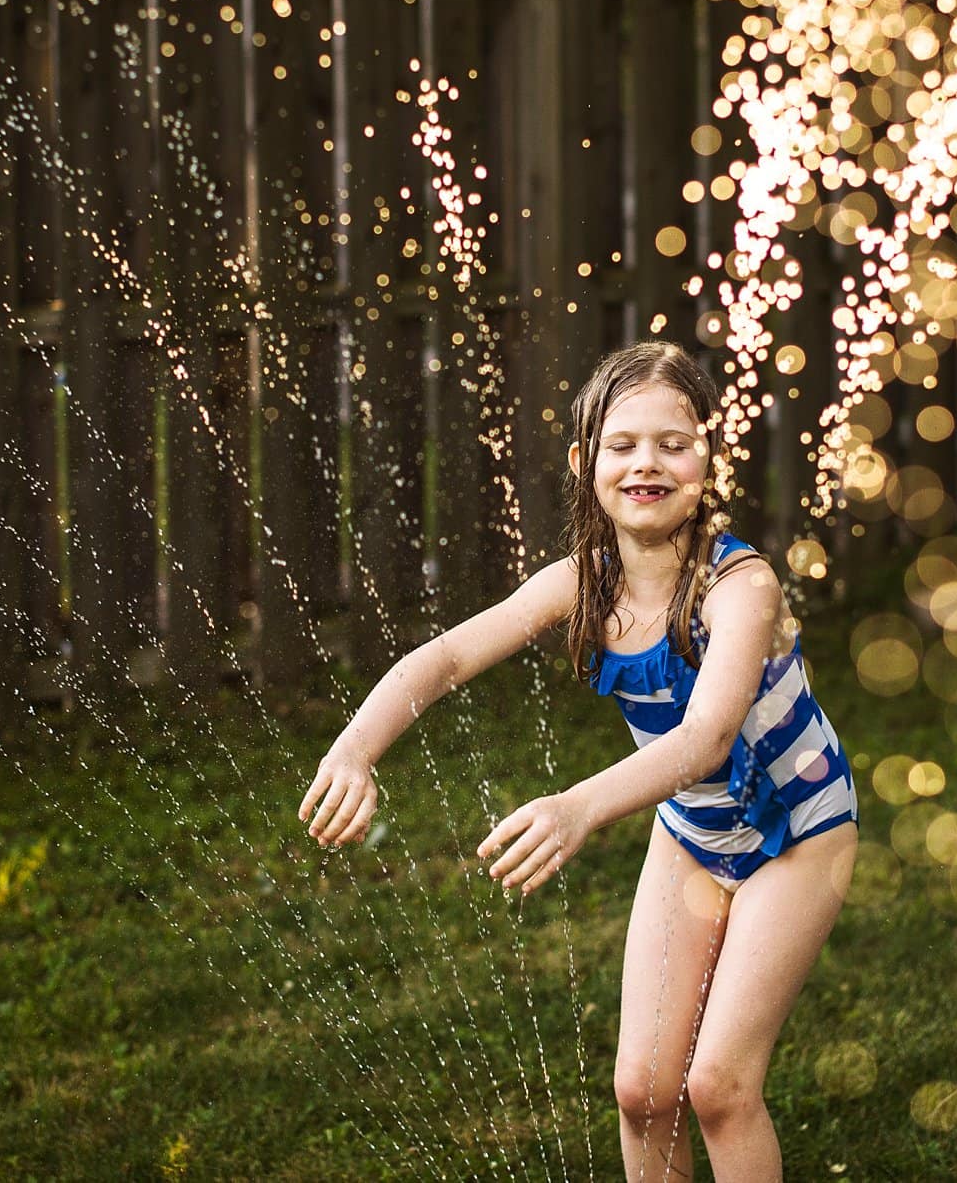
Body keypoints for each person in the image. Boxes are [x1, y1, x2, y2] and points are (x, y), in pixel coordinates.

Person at [297, 339, 859, 1181]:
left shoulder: (741, 589)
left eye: (675, 443)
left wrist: (576, 807)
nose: (648, 464)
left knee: (719, 1087)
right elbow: (445, 659)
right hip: (697, 833)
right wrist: (354, 749)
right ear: (584, 461)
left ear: (712, 456)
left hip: (799, 834)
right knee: (641, 1090)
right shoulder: (582, 584)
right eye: (623, 444)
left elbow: (704, 738)